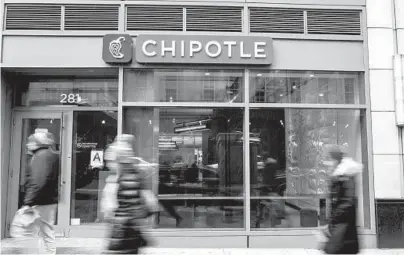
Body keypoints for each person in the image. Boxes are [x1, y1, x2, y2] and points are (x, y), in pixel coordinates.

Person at [103, 134, 151, 254]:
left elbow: (113, 207)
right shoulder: (132, 174)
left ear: (118, 160)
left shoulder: (120, 179)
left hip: (122, 229)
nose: (108, 164)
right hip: (130, 228)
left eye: (111, 161)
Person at [22, 131, 59, 254]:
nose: (28, 145)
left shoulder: (41, 156)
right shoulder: (49, 154)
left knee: (45, 233)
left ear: (37, 143)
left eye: (30, 142)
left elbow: (38, 180)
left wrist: (28, 201)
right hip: (46, 200)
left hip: (42, 201)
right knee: (44, 232)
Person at [322, 146, 362, 254]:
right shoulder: (338, 173)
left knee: (334, 248)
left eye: (331, 158)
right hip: (340, 216)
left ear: (335, 158)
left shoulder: (345, 175)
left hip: (343, 217)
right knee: (340, 247)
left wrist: (336, 216)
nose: (330, 161)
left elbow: (347, 198)